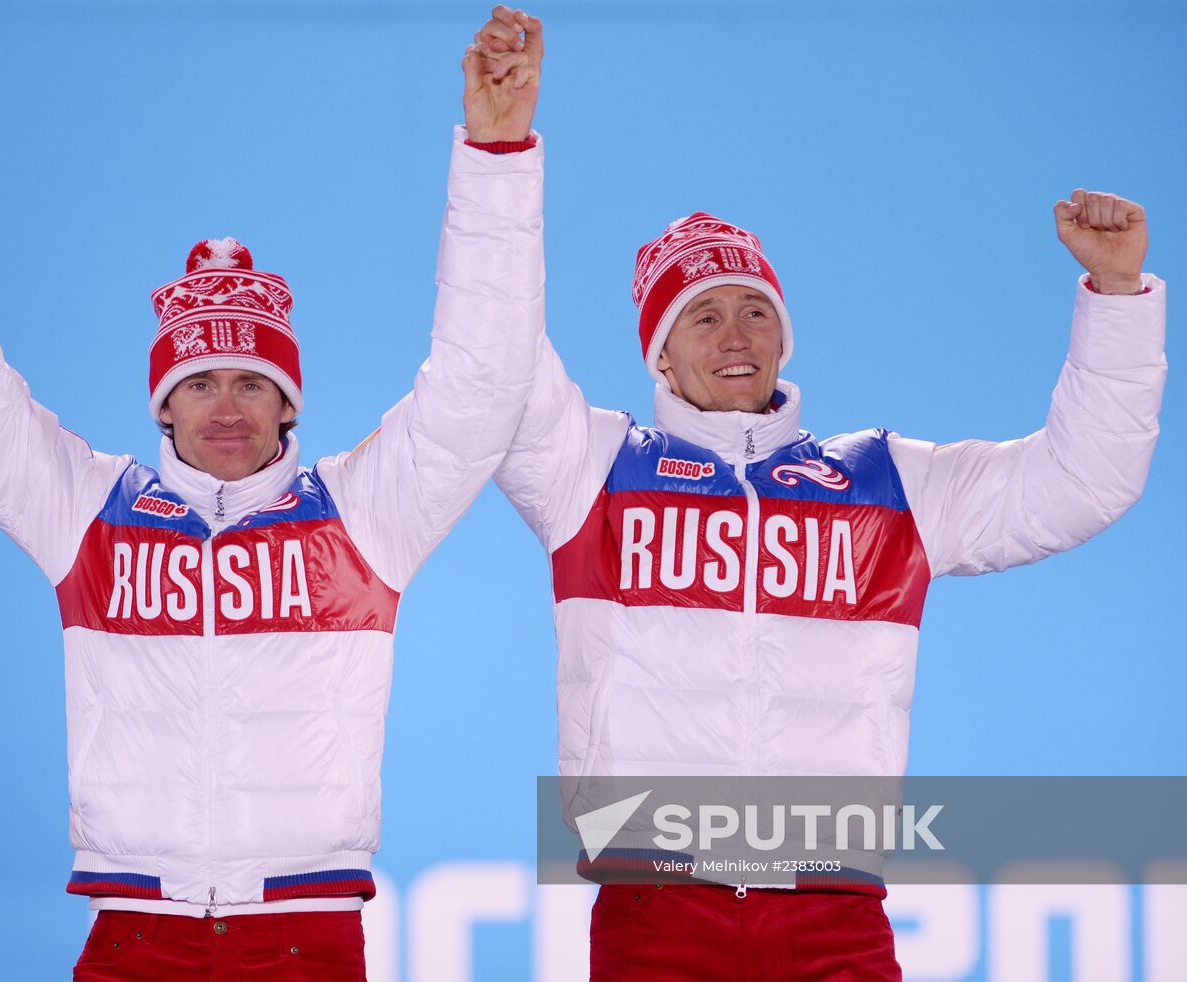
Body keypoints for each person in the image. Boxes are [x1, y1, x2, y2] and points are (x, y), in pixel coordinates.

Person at [0, 9, 544, 977]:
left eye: (253, 382)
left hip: (307, 935)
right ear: (162, 407)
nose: (227, 406)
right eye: (200, 383)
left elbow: (479, 383)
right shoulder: (90, 515)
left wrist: (496, 153)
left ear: (287, 404)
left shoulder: (358, 518)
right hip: (135, 936)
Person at [469, 21, 1166, 980]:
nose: (735, 334)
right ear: (659, 354)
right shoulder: (587, 466)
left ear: (785, 336)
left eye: (756, 310)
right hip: (655, 912)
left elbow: (1083, 479)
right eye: (701, 317)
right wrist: (498, 156)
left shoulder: (882, 483)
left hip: (834, 917)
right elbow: (491, 359)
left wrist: (1119, 297)